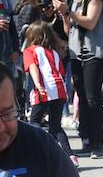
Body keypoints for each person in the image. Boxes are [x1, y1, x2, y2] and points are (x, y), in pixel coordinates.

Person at [52, 0, 103, 159]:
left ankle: (97, 144)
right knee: (82, 98)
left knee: (93, 98)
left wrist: (69, 11)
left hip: (95, 53)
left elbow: (90, 22)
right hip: (77, 54)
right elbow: (69, 31)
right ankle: (86, 139)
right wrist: (63, 14)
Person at [22, 21, 77, 167]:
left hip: (44, 90)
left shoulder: (30, 51)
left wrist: (38, 84)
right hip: (60, 91)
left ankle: (39, 153)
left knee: (34, 122)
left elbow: (33, 66)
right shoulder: (54, 52)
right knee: (55, 126)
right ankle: (70, 156)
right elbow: (61, 73)